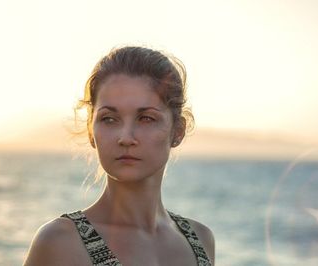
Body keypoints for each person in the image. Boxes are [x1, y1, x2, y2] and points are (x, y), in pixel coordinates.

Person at [23, 46, 215, 266]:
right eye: (109, 119)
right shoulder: (60, 243)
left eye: (146, 118)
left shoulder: (200, 240)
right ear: (90, 130)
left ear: (178, 130)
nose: (126, 137)